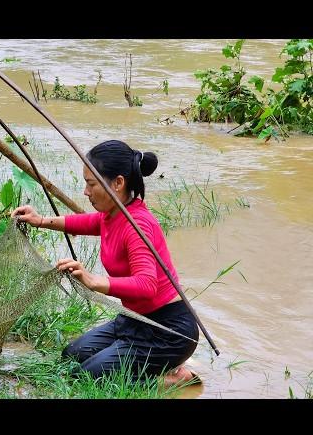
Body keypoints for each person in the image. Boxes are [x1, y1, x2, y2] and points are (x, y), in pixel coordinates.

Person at [11, 139, 199, 387]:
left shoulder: (138, 225)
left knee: (88, 377)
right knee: (72, 356)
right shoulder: (112, 214)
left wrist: (93, 281)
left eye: (91, 184)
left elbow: (147, 285)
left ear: (118, 183)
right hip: (134, 319)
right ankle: (154, 363)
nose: (85, 192)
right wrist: (41, 219)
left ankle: (174, 379)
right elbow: (87, 223)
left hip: (167, 330)